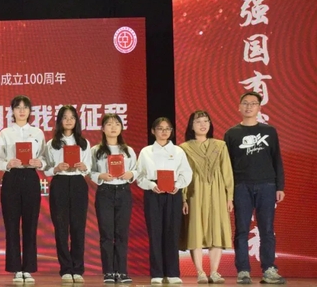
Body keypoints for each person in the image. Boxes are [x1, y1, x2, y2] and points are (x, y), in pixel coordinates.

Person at [224, 92, 286, 285]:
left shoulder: (270, 131)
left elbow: (276, 159)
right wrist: (228, 191)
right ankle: (243, 271)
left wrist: (280, 186)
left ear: (259, 107)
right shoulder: (231, 133)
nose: (249, 107)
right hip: (241, 186)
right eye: (245, 103)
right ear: (239, 107)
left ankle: (269, 269)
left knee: (267, 229)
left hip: (267, 185)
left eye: (253, 103)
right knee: (242, 230)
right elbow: (227, 166)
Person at [0, 95, 46, 283]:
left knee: (30, 224)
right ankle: (16, 268)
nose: (22, 111)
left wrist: (40, 163)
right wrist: (8, 164)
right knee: (12, 224)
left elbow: (44, 158)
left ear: (30, 111)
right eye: (18, 107)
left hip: (31, 177)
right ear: (12, 111)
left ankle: (29, 268)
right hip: (12, 179)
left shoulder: (37, 133)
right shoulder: (5, 133)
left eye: (25, 107)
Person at [179, 111, 234, 284]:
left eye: (206, 121)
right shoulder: (184, 148)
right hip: (194, 191)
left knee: (216, 230)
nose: (203, 125)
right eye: (198, 122)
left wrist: (229, 196)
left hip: (217, 192)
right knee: (195, 230)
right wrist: (183, 198)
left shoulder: (220, 145)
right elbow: (182, 173)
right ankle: (200, 271)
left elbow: (227, 172)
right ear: (191, 126)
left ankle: (214, 271)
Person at [136, 117, 192, 285]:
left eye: (167, 128)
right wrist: (151, 185)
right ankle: (157, 273)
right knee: (155, 233)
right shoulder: (146, 151)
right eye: (160, 128)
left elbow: (186, 173)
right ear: (153, 131)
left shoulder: (178, 151)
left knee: (172, 232)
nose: (164, 131)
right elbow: (140, 176)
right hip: (153, 193)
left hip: (173, 192)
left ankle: (173, 272)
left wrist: (178, 185)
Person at [44, 105, 91, 283]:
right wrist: (56, 168)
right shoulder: (52, 144)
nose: (69, 120)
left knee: (78, 227)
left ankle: (77, 269)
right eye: (65, 117)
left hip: (78, 183)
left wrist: (84, 167)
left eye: (72, 117)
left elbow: (89, 168)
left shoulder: (84, 143)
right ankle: (65, 268)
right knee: (61, 228)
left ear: (76, 120)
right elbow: (46, 168)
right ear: (59, 121)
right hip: (60, 183)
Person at [90, 114, 137, 284]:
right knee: (107, 234)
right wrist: (100, 176)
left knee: (122, 233)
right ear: (103, 129)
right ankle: (109, 271)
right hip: (105, 192)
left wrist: (131, 174)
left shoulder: (128, 150)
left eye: (117, 124)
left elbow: (136, 170)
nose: (113, 127)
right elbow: (90, 171)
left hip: (123, 191)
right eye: (109, 124)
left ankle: (122, 271)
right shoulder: (96, 150)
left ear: (121, 128)